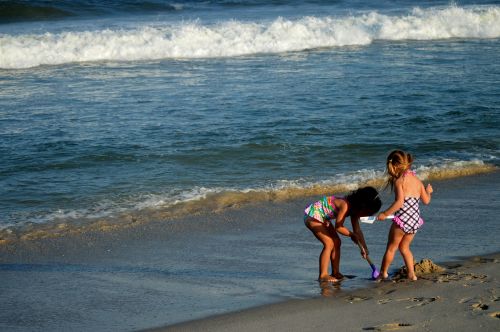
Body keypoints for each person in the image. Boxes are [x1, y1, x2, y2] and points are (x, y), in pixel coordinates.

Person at [304, 186, 382, 282]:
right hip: (312, 216)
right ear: (362, 206)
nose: (367, 216)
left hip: (323, 219)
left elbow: (357, 231)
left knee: (337, 242)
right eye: (367, 213)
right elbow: (339, 227)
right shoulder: (345, 205)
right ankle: (323, 275)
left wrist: (364, 247)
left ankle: (335, 272)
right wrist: (352, 235)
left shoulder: (354, 211)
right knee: (329, 243)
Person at [377, 150, 433, 281]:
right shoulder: (418, 181)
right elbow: (426, 201)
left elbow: (400, 202)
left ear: (395, 166)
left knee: (391, 248)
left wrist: (385, 213)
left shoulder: (400, 181)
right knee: (405, 247)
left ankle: (383, 273)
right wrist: (428, 191)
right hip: (414, 221)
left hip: (402, 221)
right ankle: (411, 274)